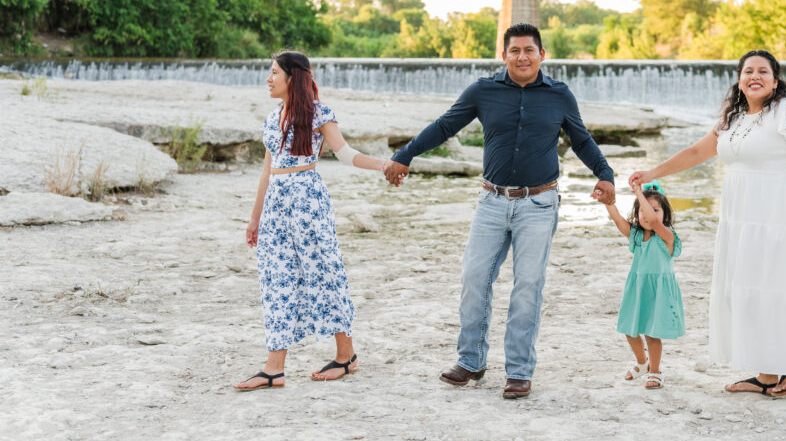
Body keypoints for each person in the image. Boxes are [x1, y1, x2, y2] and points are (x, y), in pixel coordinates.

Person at [383, 23, 615, 399]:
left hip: (539, 204)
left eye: (529, 50)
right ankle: (471, 361)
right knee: (474, 279)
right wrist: (405, 154)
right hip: (491, 202)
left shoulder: (560, 95)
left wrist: (605, 174)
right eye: (515, 51)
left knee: (528, 286)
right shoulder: (483, 91)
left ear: (542, 55)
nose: (522, 57)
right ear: (503, 55)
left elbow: (581, 139)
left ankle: (520, 370)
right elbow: (445, 126)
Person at [629, 49, 786, 397]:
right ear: (739, 80)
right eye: (748, 70)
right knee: (746, 287)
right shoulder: (731, 119)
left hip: (775, 212)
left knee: (775, 284)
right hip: (739, 216)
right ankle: (766, 373)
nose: (755, 76)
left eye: (763, 71)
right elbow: (695, 153)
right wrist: (651, 173)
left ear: (775, 81)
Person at [234, 51, 385, 391]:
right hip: (276, 206)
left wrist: (385, 165)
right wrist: (254, 217)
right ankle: (274, 368)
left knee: (324, 272)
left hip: (308, 203)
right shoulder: (273, 117)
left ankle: (346, 356)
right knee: (276, 279)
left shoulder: (318, 113)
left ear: (292, 77)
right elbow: (267, 171)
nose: (268, 79)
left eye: (274, 73)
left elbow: (345, 154)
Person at [605, 180, 685, 389]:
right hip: (638, 288)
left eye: (655, 209)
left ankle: (655, 371)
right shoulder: (637, 236)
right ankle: (642, 363)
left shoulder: (667, 236)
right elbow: (618, 220)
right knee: (629, 329)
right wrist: (608, 203)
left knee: (652, 333)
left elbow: (654, 222)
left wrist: (640, 194)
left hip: (658, 291)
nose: (647, 214)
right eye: (642, 210)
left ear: (665, 216)